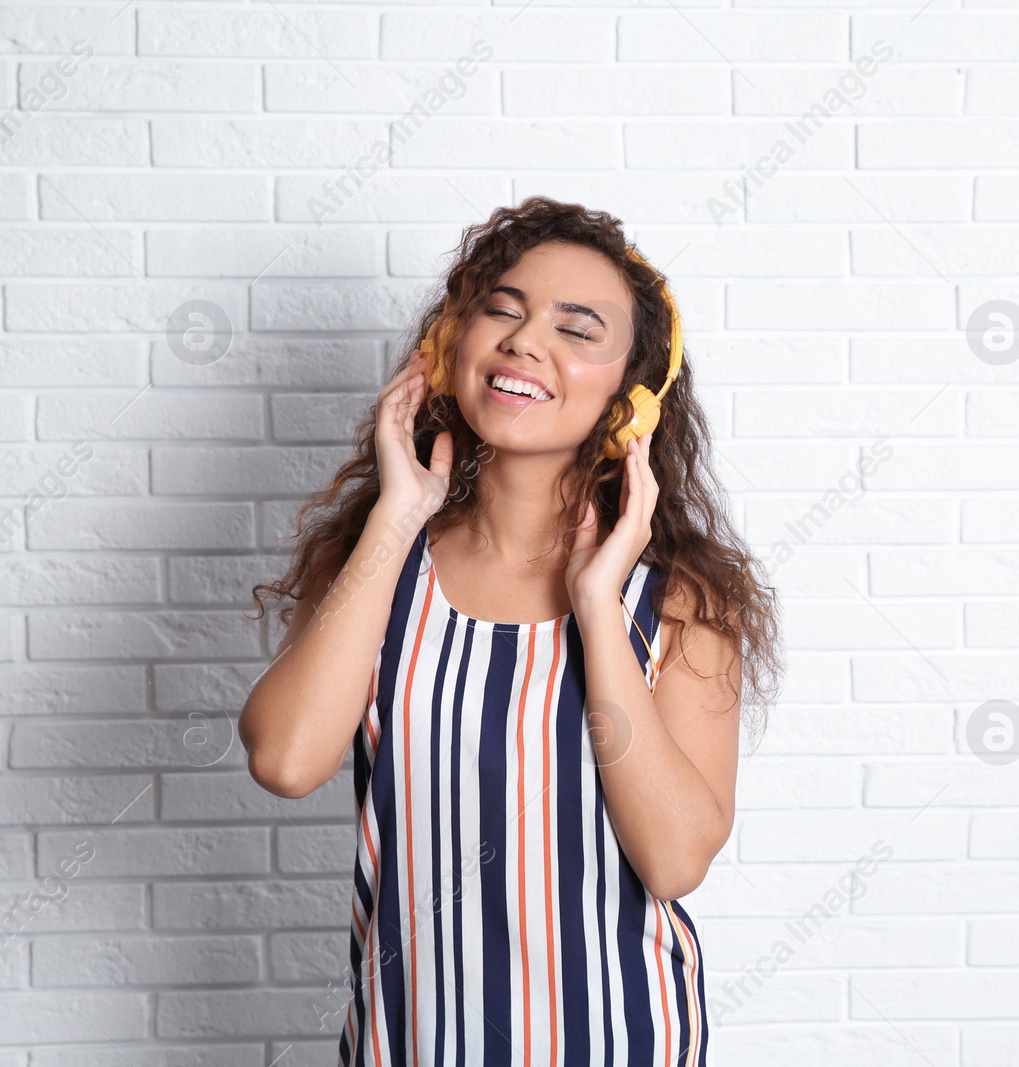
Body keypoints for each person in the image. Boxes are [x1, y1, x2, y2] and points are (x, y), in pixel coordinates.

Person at [240, 195, 784, 1066]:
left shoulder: (679, 601)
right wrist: (395, 517)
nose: (527, 340)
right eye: (503, 309)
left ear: (633, 400)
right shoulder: (376, 569)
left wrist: (598, 605)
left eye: (578, 329)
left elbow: (676, 858)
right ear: (447, 346)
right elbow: (285, 759)